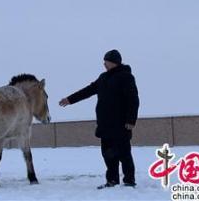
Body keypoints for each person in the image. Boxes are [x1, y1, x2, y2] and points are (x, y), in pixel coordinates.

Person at [59, 49, 140, 189]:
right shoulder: (103, 78)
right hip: (105, 125)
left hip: (121, 124)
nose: (104, 64)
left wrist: (131, 120)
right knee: (108, 154)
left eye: (106, 61)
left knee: (124, 153)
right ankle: (112, 180)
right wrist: (69, 100)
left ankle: (129, 181)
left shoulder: (126, 77)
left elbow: (133, 100)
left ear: (114, 62)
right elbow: (88, 90)